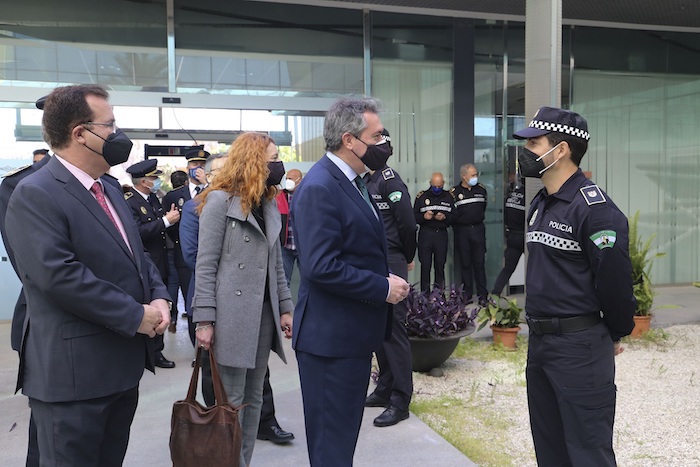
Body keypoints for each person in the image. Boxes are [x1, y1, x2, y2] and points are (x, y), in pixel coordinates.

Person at [4, 84, 171, 466]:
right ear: (80, 133)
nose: (118, 134)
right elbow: (59, 275)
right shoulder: (36, 192)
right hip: (74, 378)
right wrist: (135, 315)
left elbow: (137, 254)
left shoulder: (108, 188)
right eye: (109, 125)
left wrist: (158, 295)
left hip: (120, 368)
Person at [290, 96, 409, 466]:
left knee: (341, 441)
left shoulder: (355, 182)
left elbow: (352, 250)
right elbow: (321, 266)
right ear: (349, 140)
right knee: (331, 447)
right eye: (377, 137)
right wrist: (381, 287)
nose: (383, 144)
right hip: (330, 343)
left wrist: (382, 274)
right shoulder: (321, 187)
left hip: (348, 337)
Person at [514, 106, 635, 466]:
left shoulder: (594, 210)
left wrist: (614, 332)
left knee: (587, 451)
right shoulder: (542, 203)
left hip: (579, 349)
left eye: (534, 143)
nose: (526, 152)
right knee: (549, 449)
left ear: (561, 149)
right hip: (541, 344)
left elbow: (614, 282)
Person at [193, 132, 294, 467]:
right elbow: (205, 264)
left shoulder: (268, 204)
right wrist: (204, 319)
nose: (278, 163)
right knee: (231, 402)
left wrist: (285, 307)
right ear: (255, 160)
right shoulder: (219, 201)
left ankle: (242, 462)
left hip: (263, 315)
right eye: (273, 156)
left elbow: (276, 264)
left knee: (252, 399)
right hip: (231, 315)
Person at [363, 128, 417, 427]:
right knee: (379, 330)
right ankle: (384, 389)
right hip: (374, 261)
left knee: (394, 332)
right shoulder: (368, 181)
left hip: (393, 258)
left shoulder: (389, 181)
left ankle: (400, 399)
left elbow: (408, 224)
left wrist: (408, 256)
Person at [124, 158, 180, 368]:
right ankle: (145, 352)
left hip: (161, 261)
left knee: (160, 305)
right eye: (153, 178)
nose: (155, 181)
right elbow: (136, 233)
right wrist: (165, 221)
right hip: (144, 263)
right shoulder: (129, 201)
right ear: (143, 182)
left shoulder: (153, 199)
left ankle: (157, 352)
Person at [163, 150, 208, 325]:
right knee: (191, 304)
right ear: (187, 167)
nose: (198, 168)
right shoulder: (173, 196)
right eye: (194, 164)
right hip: (183, 255)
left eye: (202, 165)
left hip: (209, 255)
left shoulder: (215, 192)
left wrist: (208, 184)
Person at [451, 163, 488, 304]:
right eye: (472, 175)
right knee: (465, 264)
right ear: (464, 176)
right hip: (462, 232)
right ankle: (467, 296)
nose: (475, 177)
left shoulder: (481, 189)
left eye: (476, 174)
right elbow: (453, 214)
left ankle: (482, 296)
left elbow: (483, 207)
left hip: (478, 230)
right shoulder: (454, 192)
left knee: (479, 263)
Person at [413, 172, 453, 292]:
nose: (437, 189)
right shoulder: (422, 197)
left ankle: (439, 297)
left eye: (439, 186)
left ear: (443, 184)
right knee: (425, 266)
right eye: (435, 186)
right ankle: (425, 297)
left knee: (440, 266)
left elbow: (455, 217)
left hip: (441, 234)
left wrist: (444, 217)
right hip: (426, 234)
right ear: (430, 184)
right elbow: (413, 216)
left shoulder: (449, 197)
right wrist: (424, 217)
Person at [491, 175, 525, 296]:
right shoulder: (531, 197)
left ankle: (494, 296)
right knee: (536, 269)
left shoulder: (512, 195)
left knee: (508, 269)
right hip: (524, 236)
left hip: (512, 235)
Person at [275, 168, 303, 286]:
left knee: (309, 280)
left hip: (303, 246)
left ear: (299, 180)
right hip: (285, 245)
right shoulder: (279, 196)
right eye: (286, 179)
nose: (287, 181)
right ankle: (284, 305)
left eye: (290, 179)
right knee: (283, 281)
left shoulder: (307, 195)